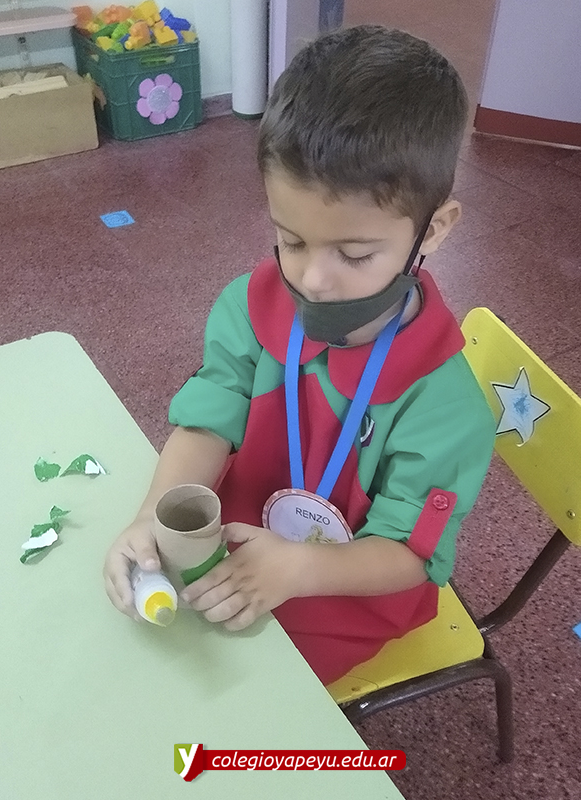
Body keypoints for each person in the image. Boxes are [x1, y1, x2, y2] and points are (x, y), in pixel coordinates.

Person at [104, 26, 496, 686]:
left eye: (354, 254)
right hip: (244, 531)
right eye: (291, 240)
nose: (313, 280)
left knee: (237, 685)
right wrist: (151, 516)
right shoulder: (250, 306)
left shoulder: (446, 405)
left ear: (433, 229)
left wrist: (298, 567)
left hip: (347, 582)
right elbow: (207, 423)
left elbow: (406, 554)